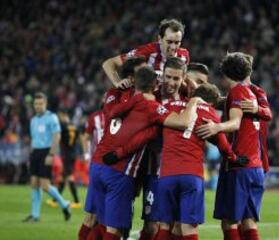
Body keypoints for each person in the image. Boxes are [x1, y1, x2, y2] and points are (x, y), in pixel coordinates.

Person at [89, 66, 203, 240]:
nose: (171, 82)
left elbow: (124, 122)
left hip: (105, 164)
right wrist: (194, 101)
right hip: (128, 170)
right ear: (158, 81)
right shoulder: (153, 104)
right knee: (115, 227)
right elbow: (181, 123)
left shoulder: (123, 97)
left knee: (148, 225)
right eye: (168, 77)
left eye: (176, 78)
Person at [196, 52, 269, 240]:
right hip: (255, 166)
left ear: (225, 72)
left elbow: (235, 123)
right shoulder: (251, 93)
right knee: (248, 221)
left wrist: (216, 126)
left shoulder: (237, 92)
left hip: (239, 167)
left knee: (229, 221)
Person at [155, 83, 237, 240]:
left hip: (166, 174)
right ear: (211, 102)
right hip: (191, 175)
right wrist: (234, 157)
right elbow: (223, 145)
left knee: (164, 225)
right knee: (189, 228)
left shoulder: (169, 105)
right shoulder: (209, 111)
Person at [78, 56, 147, 240]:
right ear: (132, 78)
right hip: (120, 169)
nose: (150, 73)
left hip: (99, 163)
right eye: (144, 71)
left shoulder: (113, 93)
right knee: (114, 227)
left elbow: (109, 111)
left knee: (93, 218)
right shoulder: (145, 100)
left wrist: (117, 84)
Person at [23, 92, 71, 223]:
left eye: (40, 103)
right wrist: (31, 156)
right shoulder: (33, 120)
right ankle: (35, 215)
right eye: (36, 104)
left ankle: (65, 204)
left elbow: (57, 136)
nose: (38, 106)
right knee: (34, 183)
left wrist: (51, 154)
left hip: (46, 152)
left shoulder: (52, 117)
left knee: (44, 186)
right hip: (35, 153)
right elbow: (34, 139)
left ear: (45, 104)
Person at [102, 18, 189, 88]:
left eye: (177, 42)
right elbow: (109, 63)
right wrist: (117, 82)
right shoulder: (146, 51)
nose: (173, 47)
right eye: (169, 42)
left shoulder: (184, 56)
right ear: (160, 39)